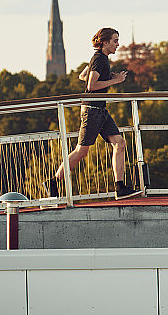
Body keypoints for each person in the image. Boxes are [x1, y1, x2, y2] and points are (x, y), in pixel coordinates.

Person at [43, 27, 141, 201]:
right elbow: (91, 86)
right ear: (105, 42)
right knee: (81, 151)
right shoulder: (99, 59)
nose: (118, 44)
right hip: (92, 111)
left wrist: (106, 76)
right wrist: (115, 80)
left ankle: (120, 187)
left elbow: (83, 76)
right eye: (115, 41)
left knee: (119, 143)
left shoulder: (100, 59)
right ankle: (53, 182)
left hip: (100, 110)